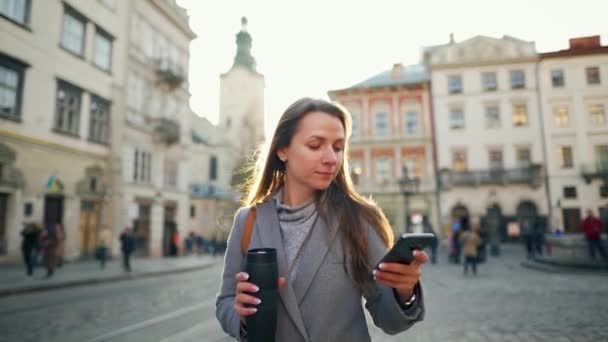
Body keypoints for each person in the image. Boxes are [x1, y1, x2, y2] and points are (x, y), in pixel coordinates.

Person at [216, 98, 427, 341]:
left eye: (338, 147)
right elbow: (225, 302)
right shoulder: (248, 220)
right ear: (282, 150)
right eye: (315, 145)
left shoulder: (359, 219)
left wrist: (404, 292)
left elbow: (390, 320)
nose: (331, 158)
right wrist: (240, 318)